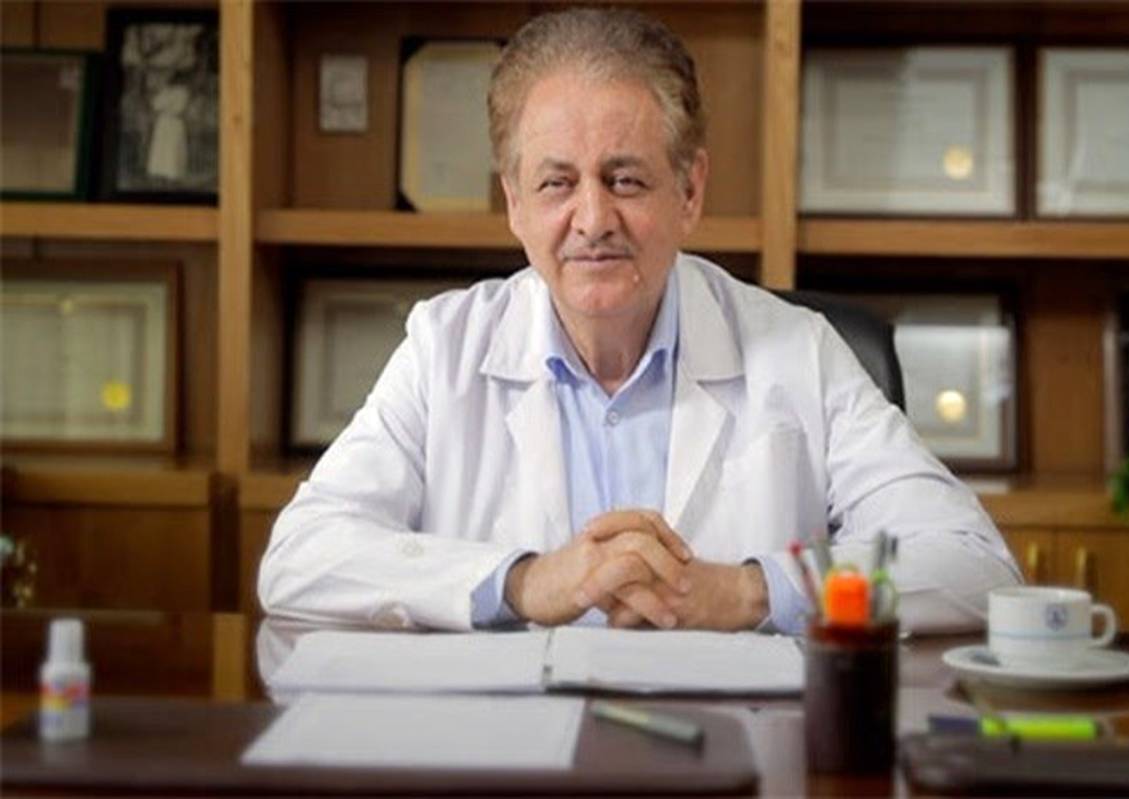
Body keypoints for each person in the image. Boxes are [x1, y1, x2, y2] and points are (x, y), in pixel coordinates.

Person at [258, 7, 1020, 634]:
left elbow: (971, 563)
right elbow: (299, 557)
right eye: (556, 183)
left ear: (690, 191)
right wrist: (521, 582)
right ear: (514, 202)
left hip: (735, 745)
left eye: (625, 179)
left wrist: (751, 591)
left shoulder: (801, 350)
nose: (593, 219)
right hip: (509, 748)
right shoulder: (443, 348)